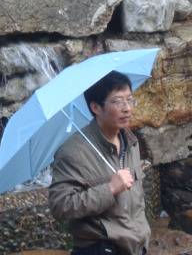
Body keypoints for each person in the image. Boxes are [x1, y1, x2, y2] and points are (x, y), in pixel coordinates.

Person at [48, 70, 150, 255]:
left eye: (130, 99)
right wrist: (109, 189)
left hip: (136, 246)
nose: (127, 108)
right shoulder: (73, 152)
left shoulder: (130, 142)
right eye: (118, 101)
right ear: (96, 107)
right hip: (100, 249)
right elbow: (60, 205)